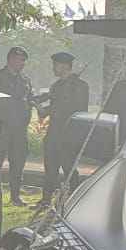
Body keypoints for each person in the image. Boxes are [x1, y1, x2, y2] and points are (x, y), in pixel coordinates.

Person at [36, 52, 89, 207]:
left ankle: (75, 201)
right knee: (50, 169)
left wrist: (49, 110)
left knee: (69, 169)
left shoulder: (80, 86)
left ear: (65, 66)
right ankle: (46, 200)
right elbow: (52, 103)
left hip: (69, 134)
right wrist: (41, 107)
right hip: (54, 132)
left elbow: (78, 109)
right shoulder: (57, 85)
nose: (53, 68)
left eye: (56, 65)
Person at [0, 47, 34, 206]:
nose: (22, 63)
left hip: (19, 129)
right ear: (10, 59)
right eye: (19, 60)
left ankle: (15, 197)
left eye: (23, 61)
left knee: (18, 164)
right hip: (1, 128)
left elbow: (30, 99)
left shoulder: (25, 80)